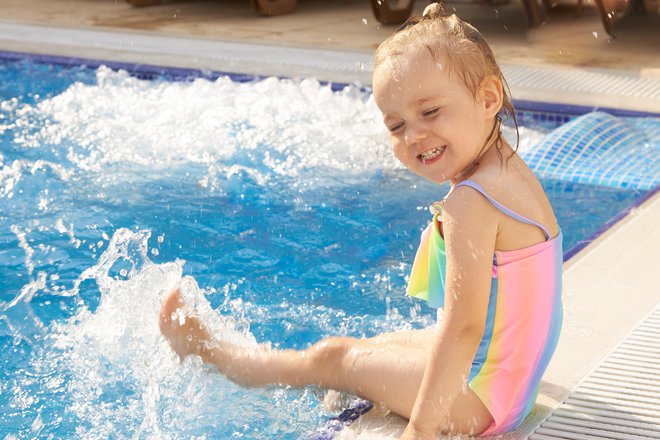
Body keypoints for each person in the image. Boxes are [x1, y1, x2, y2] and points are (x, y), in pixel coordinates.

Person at [158, 3, 563, 438]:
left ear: (488, 98)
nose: (414, 136)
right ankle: (328, 378)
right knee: (375, 347)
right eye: (396, 125)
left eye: (430, 112)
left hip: (479, 404)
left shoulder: (472, 201)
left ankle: (227, 360)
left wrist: (420, 432)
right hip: (510, 385)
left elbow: (463, 330)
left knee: (337, 358)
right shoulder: (510, 172)